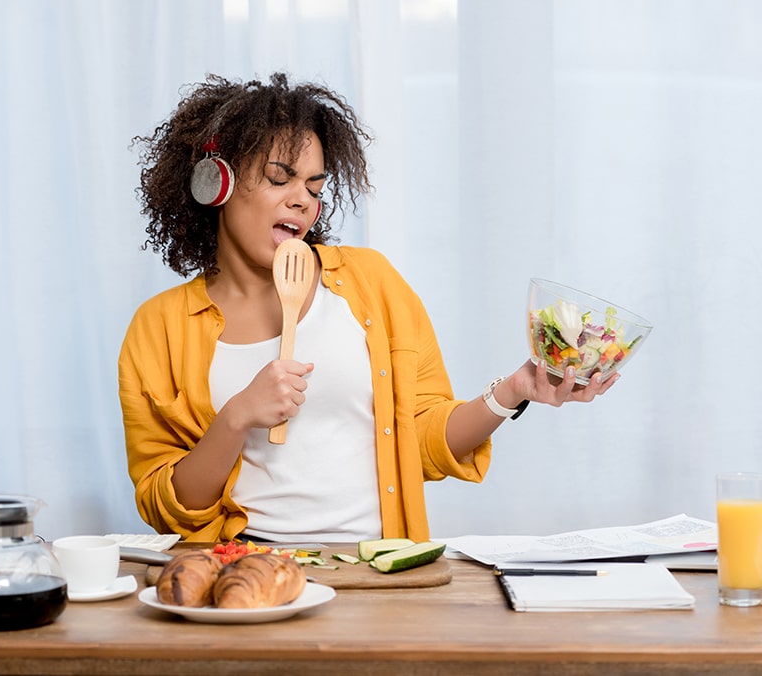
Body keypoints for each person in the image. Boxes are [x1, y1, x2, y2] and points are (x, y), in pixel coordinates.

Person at [118, 72, 617, 543]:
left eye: (315, 187)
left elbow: (422, 440)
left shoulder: (371, 284)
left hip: (375, 567)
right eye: (279, 179)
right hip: (244, 566)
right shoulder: (157, 327)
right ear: (217, 184)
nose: (302, 202)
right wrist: (236, 417)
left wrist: (512, 392)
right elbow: (168, 508)